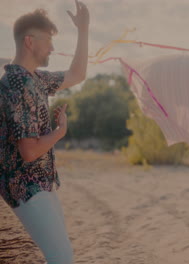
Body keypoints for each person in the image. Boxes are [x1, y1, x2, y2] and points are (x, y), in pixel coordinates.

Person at [0, 1, 89, 263]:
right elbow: (28, 151)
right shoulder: (17, 84)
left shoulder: (35, 79)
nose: (52, 47)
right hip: (24, 185)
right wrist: (60, 132)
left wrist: (83, 30)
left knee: (61, 256)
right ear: (29, 41)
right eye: (48, 40)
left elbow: (77, 74)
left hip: (40, 181)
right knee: (61, 257)